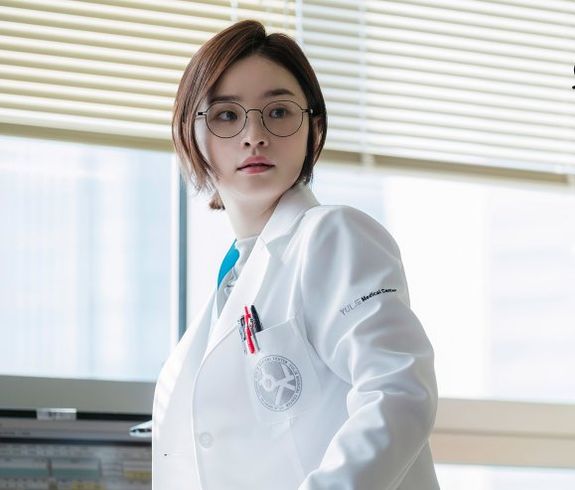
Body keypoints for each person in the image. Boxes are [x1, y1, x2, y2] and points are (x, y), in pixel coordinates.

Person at [152, 19, 439, 489]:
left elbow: (398, 391)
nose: (254, 136)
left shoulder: (333, 235)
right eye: (227, 115)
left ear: (314, 127)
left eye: (279, 112)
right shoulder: (229, 283)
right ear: (191, 132)